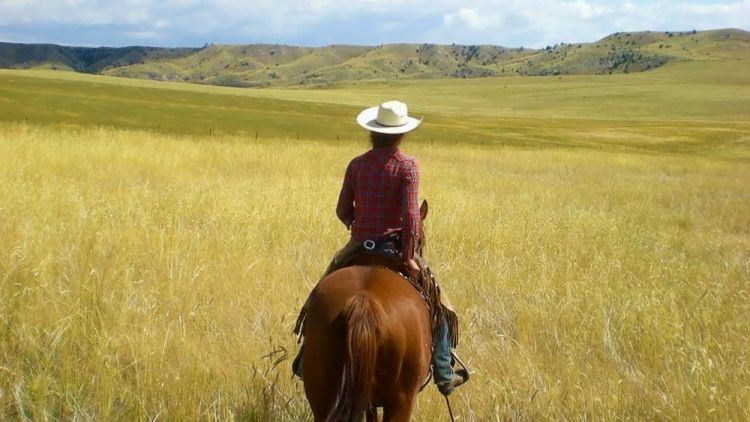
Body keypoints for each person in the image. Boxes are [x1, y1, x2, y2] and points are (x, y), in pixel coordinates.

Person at [293, 100, 467, 396]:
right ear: (401, 134)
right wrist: (409, 256)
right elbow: (412, 218)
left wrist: (356, 224)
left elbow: (341, 209)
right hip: (394, 248)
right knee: (439, 303)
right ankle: (443, 369)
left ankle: (304, 356)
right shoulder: (408, 166)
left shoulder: (357, 165)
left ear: (373, 133)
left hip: (358, 245)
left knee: (320, 293)